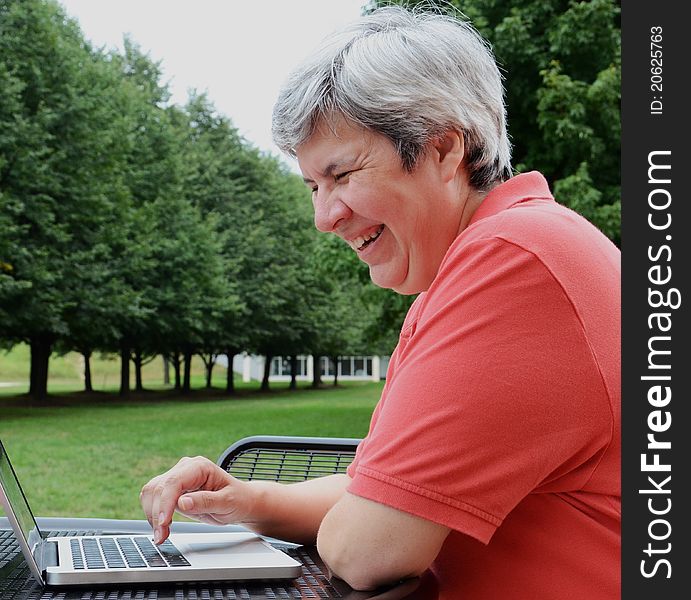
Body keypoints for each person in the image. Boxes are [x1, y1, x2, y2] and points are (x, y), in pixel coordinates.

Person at [140, 6, 620, 598]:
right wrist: (244, 500)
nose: (323, 217)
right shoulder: (504, 252)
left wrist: (363, 514)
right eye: (313, 186)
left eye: (342, 174)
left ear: (444, 149)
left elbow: (369, 549)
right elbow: (385, 491)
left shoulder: (513, 264)